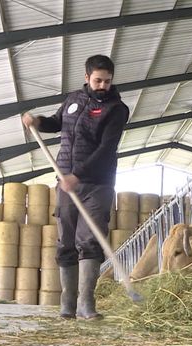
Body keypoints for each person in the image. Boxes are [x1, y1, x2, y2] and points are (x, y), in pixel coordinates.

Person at [22, 55, 129, 320]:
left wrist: (78, 175)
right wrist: (37, 121)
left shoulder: (117, 109)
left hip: (97, 184)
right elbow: (57, 123)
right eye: (97, 80)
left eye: (107, 81)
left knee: (90, 241)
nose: (102, 85)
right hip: (66, 183)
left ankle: (86, 304)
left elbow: (106, 149)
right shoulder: (73, 100)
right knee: (65, 243)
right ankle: (67, 304)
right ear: (86, 78)